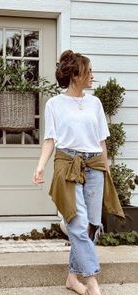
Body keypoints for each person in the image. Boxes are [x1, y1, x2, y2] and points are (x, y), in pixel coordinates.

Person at [32, 50, 125, 295]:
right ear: (75, 75)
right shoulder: (55, 104)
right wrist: (40, 166)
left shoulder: (95, 103)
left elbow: (102, 141)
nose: (92, 75)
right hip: (67, 163)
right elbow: (50, 139)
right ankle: (92, 280)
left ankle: (72, 278)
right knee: (77, 222)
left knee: (92, 225)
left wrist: (106, 171)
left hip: (94, 165)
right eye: (89, 71)